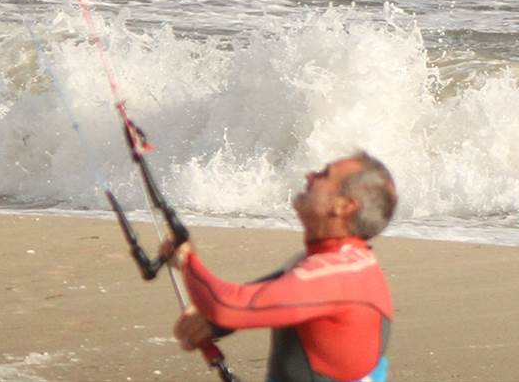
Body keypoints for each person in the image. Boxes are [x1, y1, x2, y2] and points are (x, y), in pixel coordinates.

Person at [160, 152, 397, 382]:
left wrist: (186, 260)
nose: (309, 175)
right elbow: (260, 298)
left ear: (344, 206)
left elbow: (227, 306)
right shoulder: (340, 262)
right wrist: (211, 324)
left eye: (323, 175)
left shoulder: (336, 276)